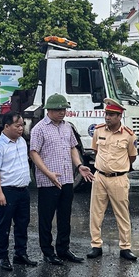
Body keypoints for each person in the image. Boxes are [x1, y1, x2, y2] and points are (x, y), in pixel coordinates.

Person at [29, 93, 94, 265]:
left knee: (65, 217)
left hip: (66, 179)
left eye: (64, 109)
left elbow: (73, 147)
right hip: (48, 180)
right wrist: (47, 173)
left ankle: (63, 249)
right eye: (58, 109)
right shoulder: (39, 129)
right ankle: (48, 252)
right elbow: (34, 153)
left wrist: (79, 166)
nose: (62, 112)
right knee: (46, 218)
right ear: (49, 110)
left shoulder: (67, 127)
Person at [86, 98, 138, 261]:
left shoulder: (129, 135)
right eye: (106, 114)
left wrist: (117, 168)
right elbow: (95, 151)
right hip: (99, 176)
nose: (107, 117)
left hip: (118, 179)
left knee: (122, 214)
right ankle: (96, 246)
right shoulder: (98, 131)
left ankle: (125, 248)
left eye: (111, 115)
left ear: (119, 116)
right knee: (96, 213)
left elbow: (132, 157)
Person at [0, 112, 38, 271]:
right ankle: (2, 257)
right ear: (6, 126)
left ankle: (20, 254)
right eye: (17, 125)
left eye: (22, 125)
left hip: (23, 190)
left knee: (22, 223)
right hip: (7, 191)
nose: (21, 128)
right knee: (3, 225)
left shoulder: (22, 141)